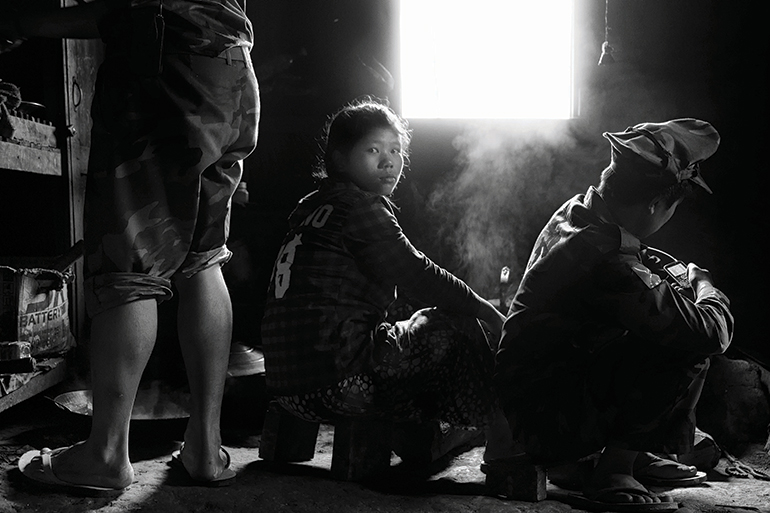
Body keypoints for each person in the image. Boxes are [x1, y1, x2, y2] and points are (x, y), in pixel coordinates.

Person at [2, 0, 259, 492]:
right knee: (203, 260)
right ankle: (205, 449)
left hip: (163, 69)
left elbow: (133, 7)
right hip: (230, 70)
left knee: (130, 265)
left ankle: (105, 455)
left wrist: (19, 21)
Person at [493, 119, 734, 510]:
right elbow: (711, 333)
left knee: (658, 324)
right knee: (686, 344)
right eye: (671, 208)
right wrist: (705, 287)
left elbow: (625, 262)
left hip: (531, 392)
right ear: (656, 204)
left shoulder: (580, 211)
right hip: (542, 420)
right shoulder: (603, 258)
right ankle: (613, 470)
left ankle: (634, 453)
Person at [260, 99, 514, 465]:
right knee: (454, 322)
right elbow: (422, 275)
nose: (388, 161)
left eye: (395, 150)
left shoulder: (310, 206)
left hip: (286, 387)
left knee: (401, 322)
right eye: (373, 150)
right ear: (339, 159)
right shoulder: (361, 207)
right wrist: (489, 312)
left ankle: (437, 426)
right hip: (340, 387)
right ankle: (501, 439)